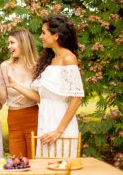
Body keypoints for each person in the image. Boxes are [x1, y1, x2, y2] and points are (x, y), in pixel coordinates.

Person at [8, 14, 84, 158]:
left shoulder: (69, 58)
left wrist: (59, 131)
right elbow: (41, 97)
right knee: (46, 169)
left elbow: (77, 98)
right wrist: (14, 84)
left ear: (55, 36)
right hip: (45, 121)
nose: (41, 37)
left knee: (61, 170)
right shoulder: (50, 60)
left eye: (44, 33)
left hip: (60, 124)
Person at [0, 29, 39, 159]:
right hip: (13, 118)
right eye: (9, 43)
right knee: (17, 161)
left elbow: (41, 96)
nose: (9, 47)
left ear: (23, 43)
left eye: (12, 43)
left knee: (35, 160)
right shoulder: (5, 66)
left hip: (32, 116)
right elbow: (2, 100)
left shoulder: (38, 65)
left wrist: (26, 93)